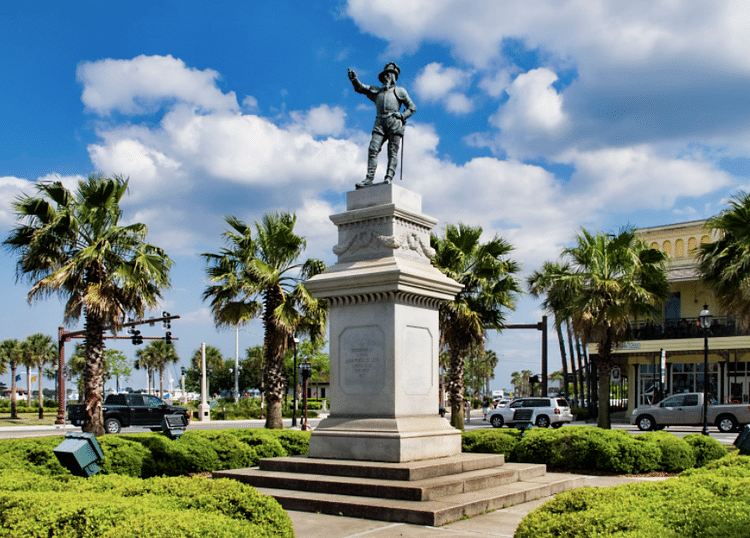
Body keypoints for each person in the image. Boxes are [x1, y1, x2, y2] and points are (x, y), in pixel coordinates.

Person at [347, 63, 417, 188]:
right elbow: (361, 88)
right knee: (373, 149)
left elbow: (412, 107)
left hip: (394, 122)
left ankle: (389, 177)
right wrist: (354, 80)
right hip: (379, 122)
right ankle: (369, 179)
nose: (386, 77)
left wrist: (402, 116)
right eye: (384, 75)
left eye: (388, 75)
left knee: (392, 152)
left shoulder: (399, 91)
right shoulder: (377, 91)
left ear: (394, 77)